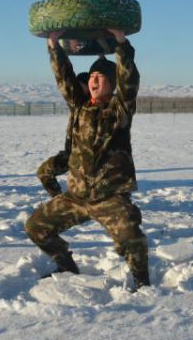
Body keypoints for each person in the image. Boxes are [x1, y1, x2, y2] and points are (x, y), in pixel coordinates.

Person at [25, 30, 150, 290]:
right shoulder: (80, 107)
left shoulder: (119, 110)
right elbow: (65, 78)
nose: (93, 81)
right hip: (77, 196)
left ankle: (141, 281)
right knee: (36, 226)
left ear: (113, 83)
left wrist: (121, 44)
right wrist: (54, 46)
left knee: (131, 237)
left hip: (110, 197)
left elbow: (129, 80)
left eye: (100, 77)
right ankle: (66, 266)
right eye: (91, 76)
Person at [36, 72, 90, 197]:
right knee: (44, 171)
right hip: (70, 154)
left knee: (82, 192)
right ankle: (58, 200)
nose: (77, 88)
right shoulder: (75, 102)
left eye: (81, 85)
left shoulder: (90, 105)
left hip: (86, 159)